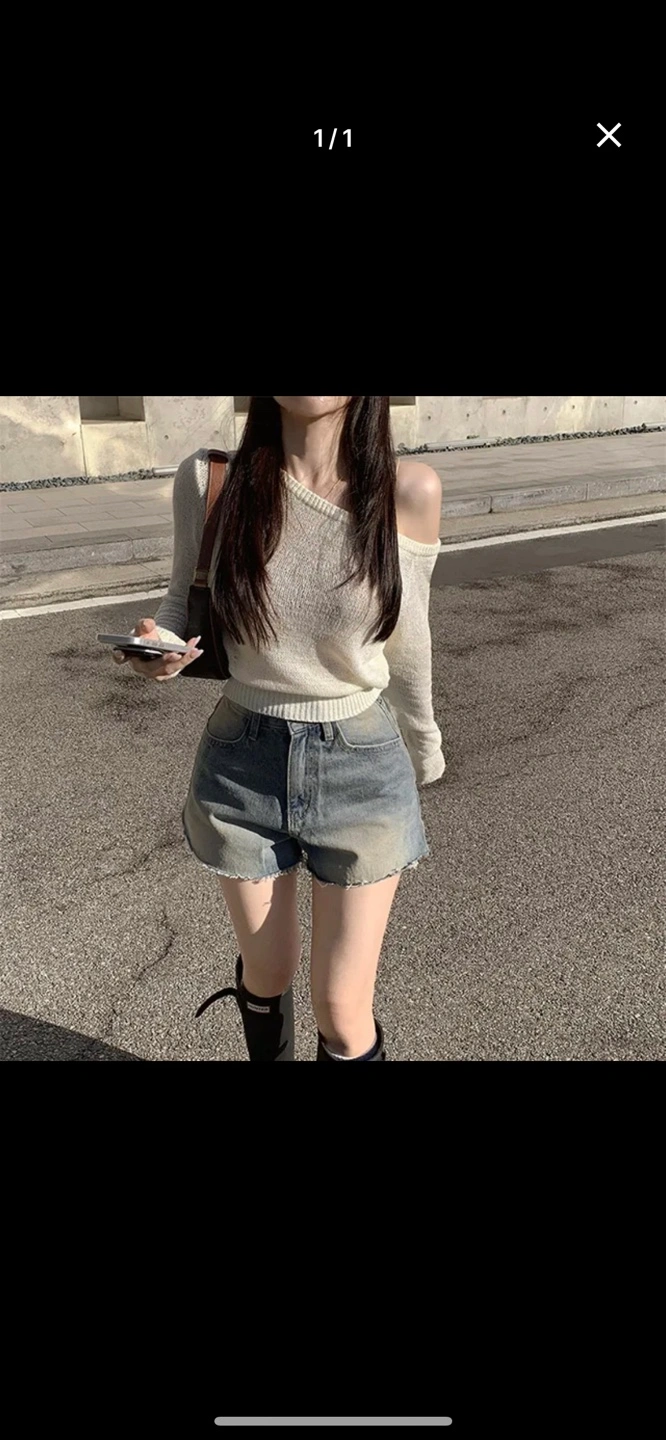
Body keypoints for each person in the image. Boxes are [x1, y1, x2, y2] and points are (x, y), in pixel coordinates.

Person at [113, 396, 445, 1061]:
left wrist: (423, 743)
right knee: (268, 970)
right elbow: (181, 602)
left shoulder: (407, 491)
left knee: (342, 1009)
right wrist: (161, 648)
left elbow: (408, 642)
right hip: (242, 763)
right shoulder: (212, 482)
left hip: (361, 763)